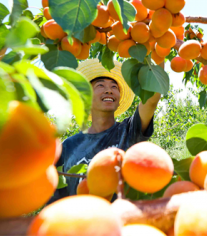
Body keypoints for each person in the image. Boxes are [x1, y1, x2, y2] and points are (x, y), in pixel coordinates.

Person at [49, 59, 163, 202]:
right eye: (101, 85)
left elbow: (151, 100)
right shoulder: (68, 146)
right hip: (80, 221)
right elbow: (56, 196)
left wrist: (159, 51)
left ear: (119, 98)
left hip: (123, 220)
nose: (109, 90)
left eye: (114, 87)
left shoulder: (129, 130)